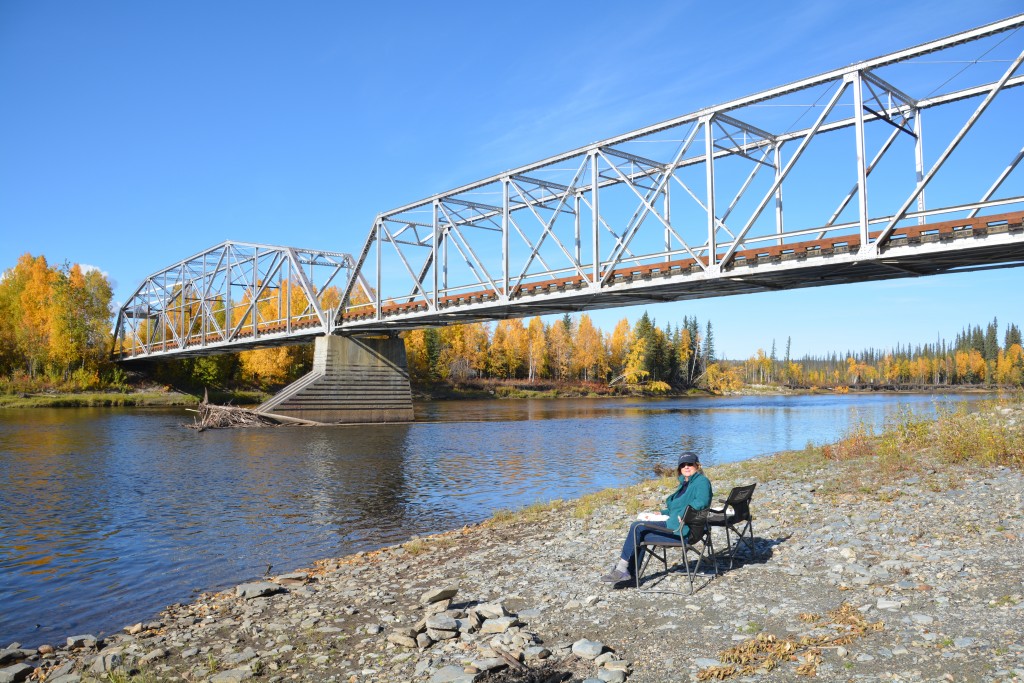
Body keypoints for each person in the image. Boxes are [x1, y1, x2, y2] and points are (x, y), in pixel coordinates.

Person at [600, 451, 713, 585]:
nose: (686, 467)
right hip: (675, 525)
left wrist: (684, 515)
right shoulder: (685, 483)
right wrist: (661, 513)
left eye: (690, 464)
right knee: (640, 530)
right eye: (683, 465)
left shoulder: (701, 482)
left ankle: (622, 569)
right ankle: (629, 575)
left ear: (697, 465)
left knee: (637, 528)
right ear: (679, 468)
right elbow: (677, 507)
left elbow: (701, 502)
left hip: (685, 531)